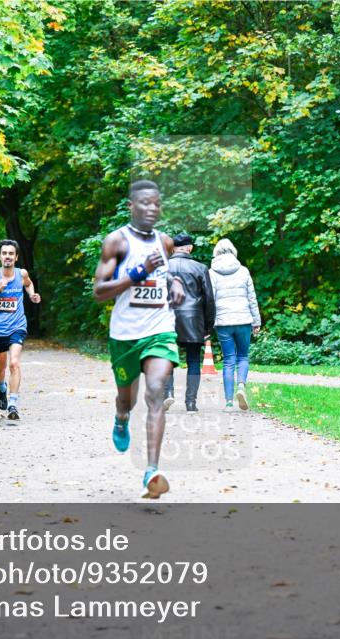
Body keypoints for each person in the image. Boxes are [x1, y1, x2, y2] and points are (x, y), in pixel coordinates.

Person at [93, 180, 186, 498]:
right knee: (127, 400)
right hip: (125, 335)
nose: (152, 208)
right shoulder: (115, 242)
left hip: (159, 329)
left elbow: (164, 273)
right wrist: (136, 272)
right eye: (146, 203)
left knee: (157, 391)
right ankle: (121, 418)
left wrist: (174, 284)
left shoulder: (165, 242)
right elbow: (99, 292)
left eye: (157, 203)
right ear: (131, 206)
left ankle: (152, 470)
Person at [0, 239, 41, 420]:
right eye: (4, 253)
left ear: (16, 257)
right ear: (0, 256)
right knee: (1, 366)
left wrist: (32, 295)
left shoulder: (22, 274)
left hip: (17, 325)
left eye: (11, 254)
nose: (7, 256)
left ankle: (13, 404)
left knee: (14, 362)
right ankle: (2, 388)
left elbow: (29, 284)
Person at [163, 233, 215, 412]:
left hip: (167, 320)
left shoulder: (163, 267)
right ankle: (191, 402)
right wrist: (208, 326)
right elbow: (209, 300)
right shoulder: (200, 268)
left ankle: (168, 394)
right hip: (193, 320)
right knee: (193, 360)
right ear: (190, 248)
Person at [209, 238, 260, 410]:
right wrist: (256, 321)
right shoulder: (243, 271)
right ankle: (241, 386)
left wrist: (209, 323)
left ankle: (229, 402)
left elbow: (211, 300)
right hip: (244, 319)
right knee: (243, 357)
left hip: (223, 322)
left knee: (228, 360)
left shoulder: (212, 272)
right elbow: (252, 298)